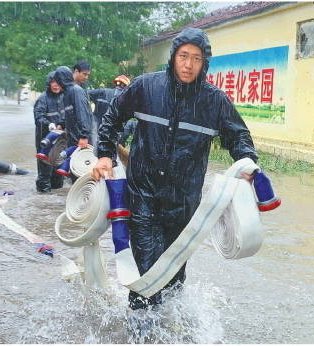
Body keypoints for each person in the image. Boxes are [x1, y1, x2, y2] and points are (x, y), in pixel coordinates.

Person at [91, 27, 258, 310]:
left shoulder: (214, 101)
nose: (188, 64)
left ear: (205, 62)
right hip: (143, 195)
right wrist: (105, 155)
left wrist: (246, 163)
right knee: (148, 274)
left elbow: (238, 136)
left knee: (175, 275)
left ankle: (170, 328)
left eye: (196, 58)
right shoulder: (146, 87)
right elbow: (112, 118)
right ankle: (140, 334)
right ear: (173, 57)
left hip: (184, 203)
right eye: (183, 56)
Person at [34, 71, 66, 192]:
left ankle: (54, 204)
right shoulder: (43, 98)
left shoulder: (65, 97)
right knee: (44, 174)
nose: (56, 85)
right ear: (49, 83)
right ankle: (42, 202)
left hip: (61, 142)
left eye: (58, 82)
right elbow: (38, 118)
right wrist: (50, 125)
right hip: (45, 141)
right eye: (53, 82)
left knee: (59, 174)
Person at [88, 75, 131, 145]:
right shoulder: (126, 101)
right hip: (110, 138)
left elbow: (83, 95)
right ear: (126, 87)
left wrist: (88, 114)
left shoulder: (101, 92)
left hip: (94, 133)